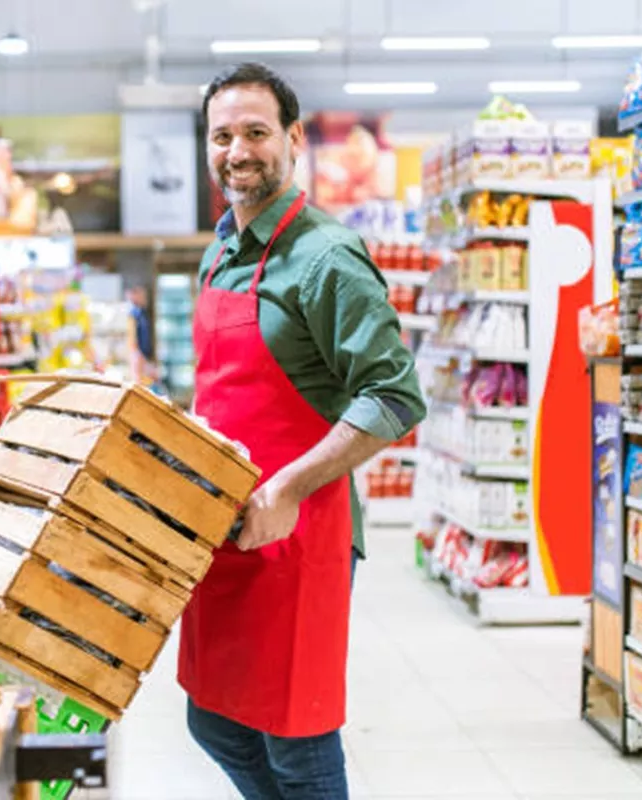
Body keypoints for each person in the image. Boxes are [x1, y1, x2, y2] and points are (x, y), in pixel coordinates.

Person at [181, 62, 426, 799]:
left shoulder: (325, 256)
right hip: (225, 529)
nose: (237, 150)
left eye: (256, 132)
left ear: (292, 140)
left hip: (300, 531)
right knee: (214, 719)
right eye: (222, 135)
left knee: (295, 734)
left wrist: (285, 486)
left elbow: (395, 393)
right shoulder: (220, 250)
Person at [125, 284, 159, 385]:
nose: (144, 299)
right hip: (139, 356)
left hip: (145, 356)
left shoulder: (142, 313)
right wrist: (137, 354)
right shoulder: (133, 314)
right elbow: (132, 338)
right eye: (141, 295)